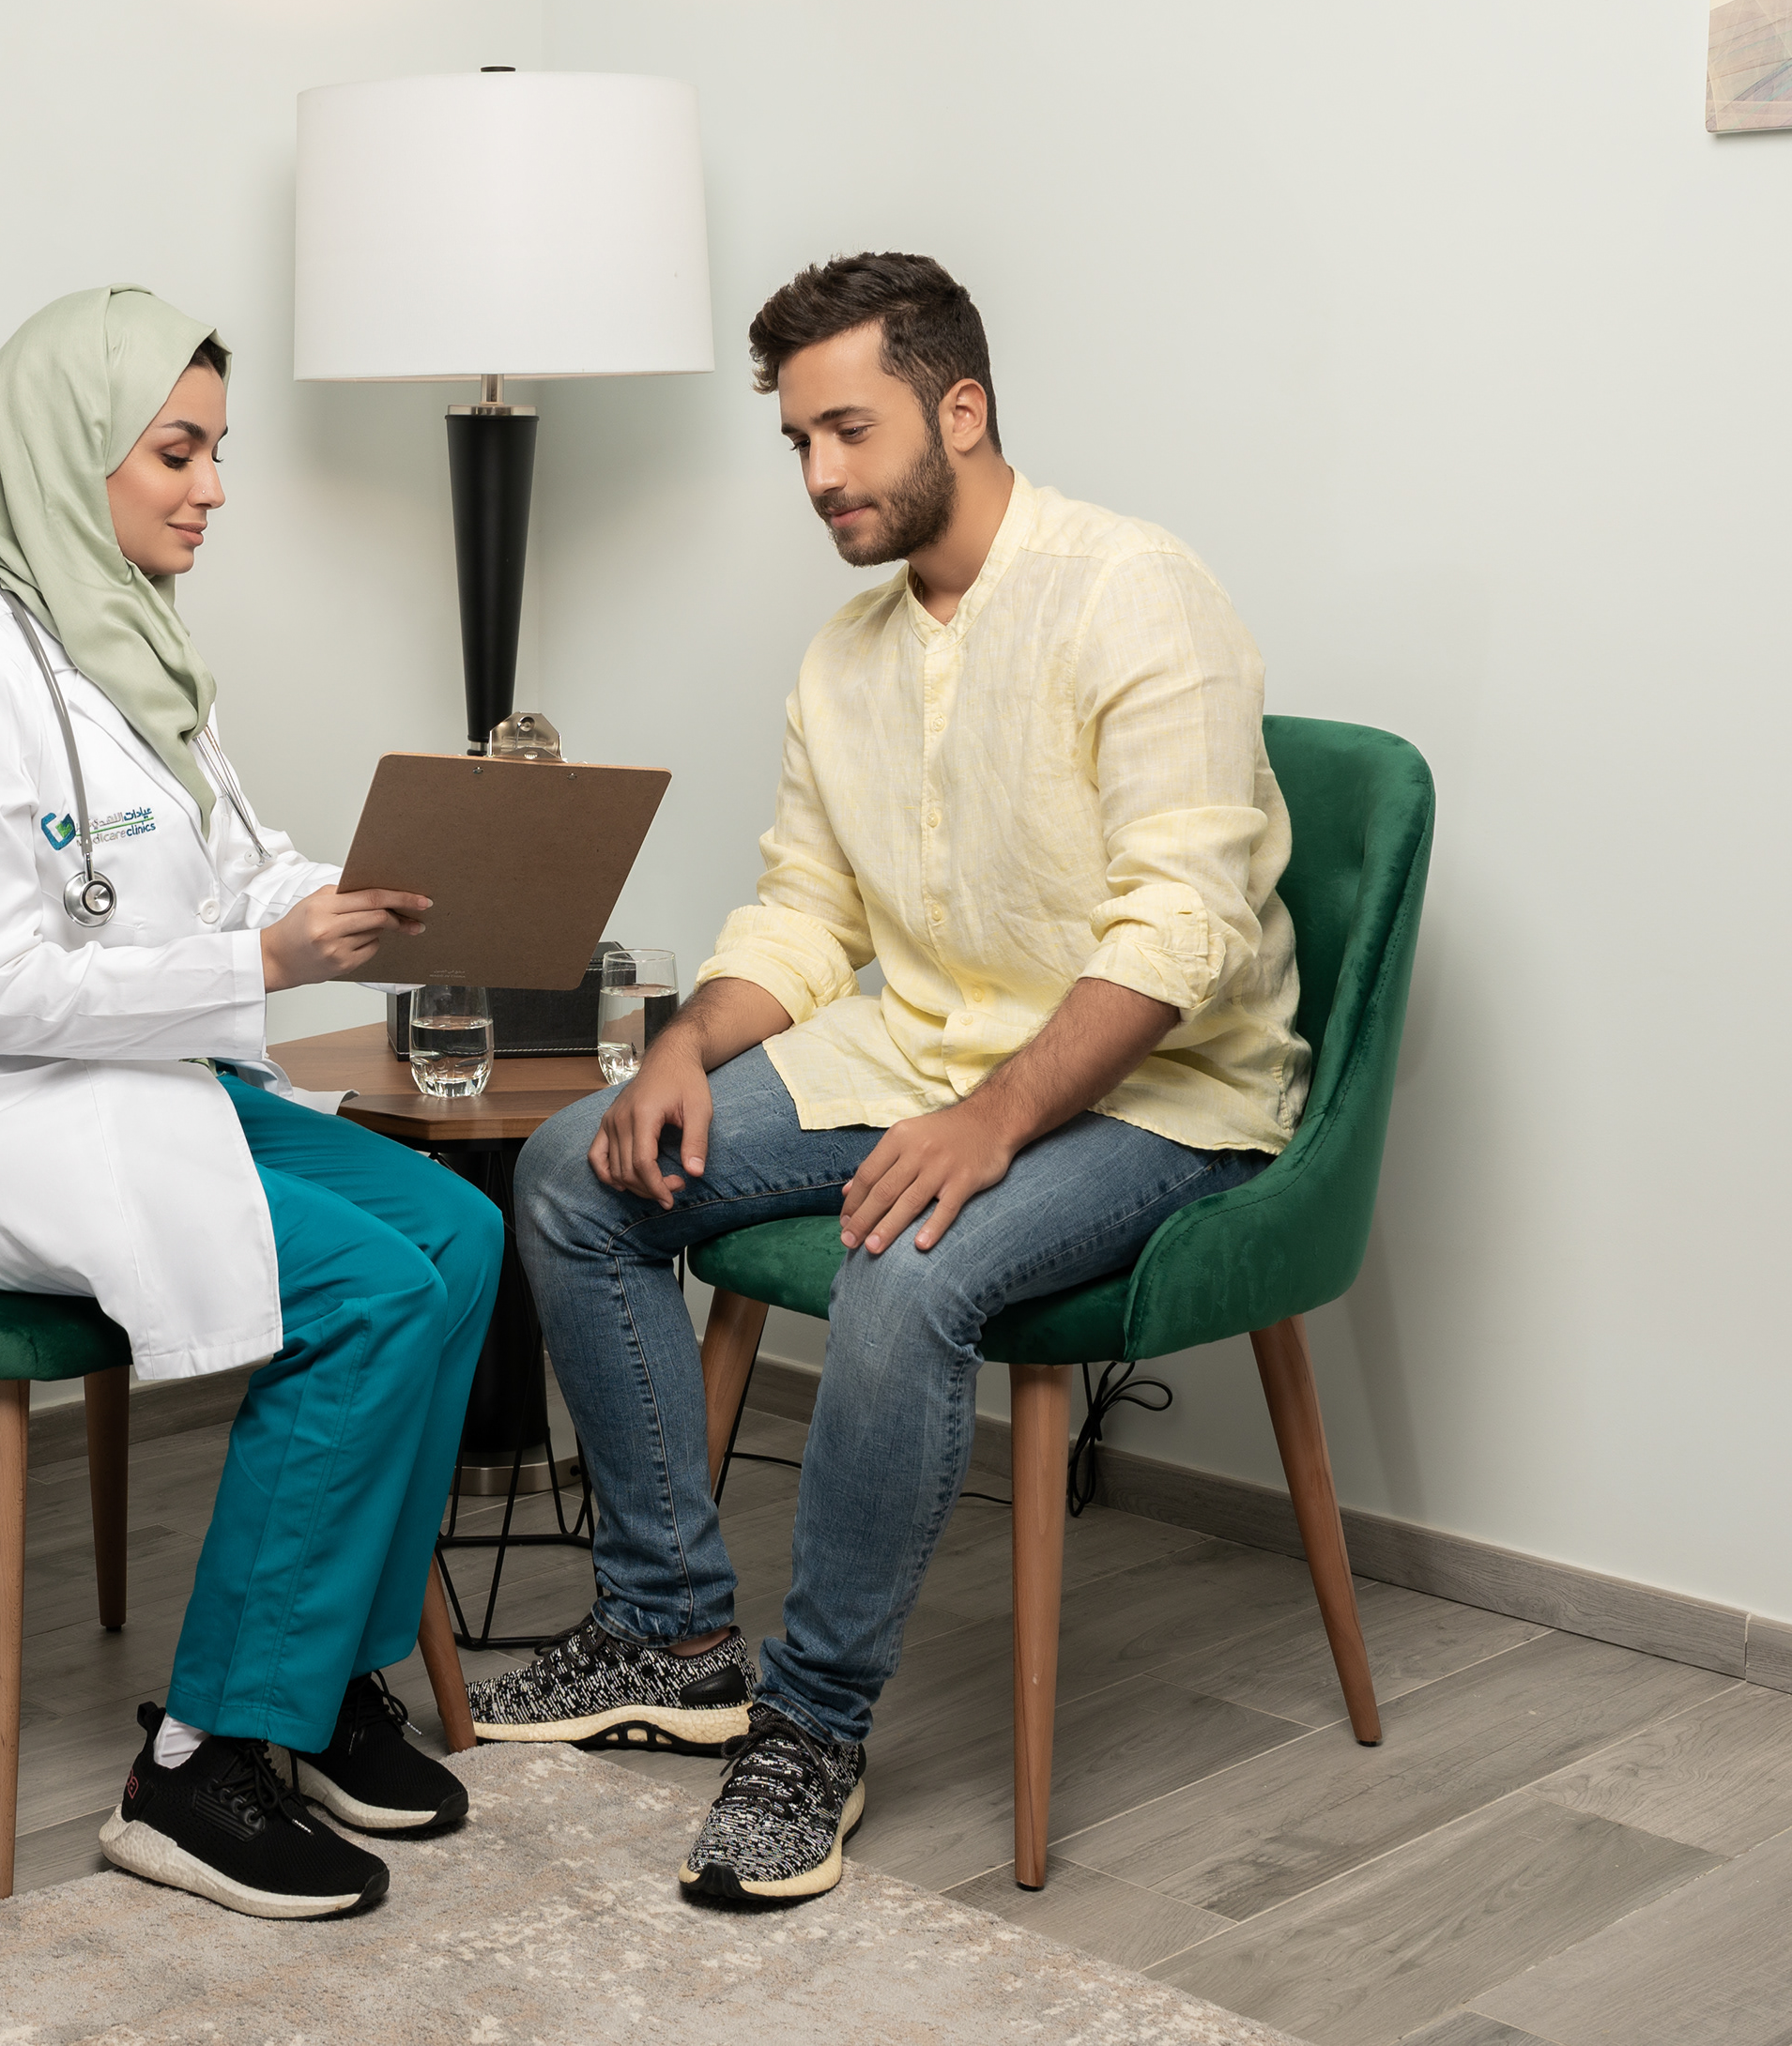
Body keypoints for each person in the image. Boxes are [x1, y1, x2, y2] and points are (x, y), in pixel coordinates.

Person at [470, 252, 1310, 1907]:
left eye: (848, 430)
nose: (819, 474)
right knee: (575, 1170)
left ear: (961, 408)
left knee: (905, 1260)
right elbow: (806, 910)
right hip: (922, 1045)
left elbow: (1183, 930)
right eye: (798, 441)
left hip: (1162, 1091)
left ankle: (814, 1728)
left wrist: (990, 1122)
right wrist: (683, 1045)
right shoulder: (845, 656)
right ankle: (669, 1638)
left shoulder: (1139, 592)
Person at [0, 286, 500, 1921]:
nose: (213, 489)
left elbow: (232, 866)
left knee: (458, 1240)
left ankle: (318, 1684)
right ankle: (199, 1765)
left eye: (215, 452)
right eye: (177, 452)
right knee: (369, 1294)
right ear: (71, 454)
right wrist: (263, 961)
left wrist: (362, 898)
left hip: (131, 1071)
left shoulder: (136, 648)